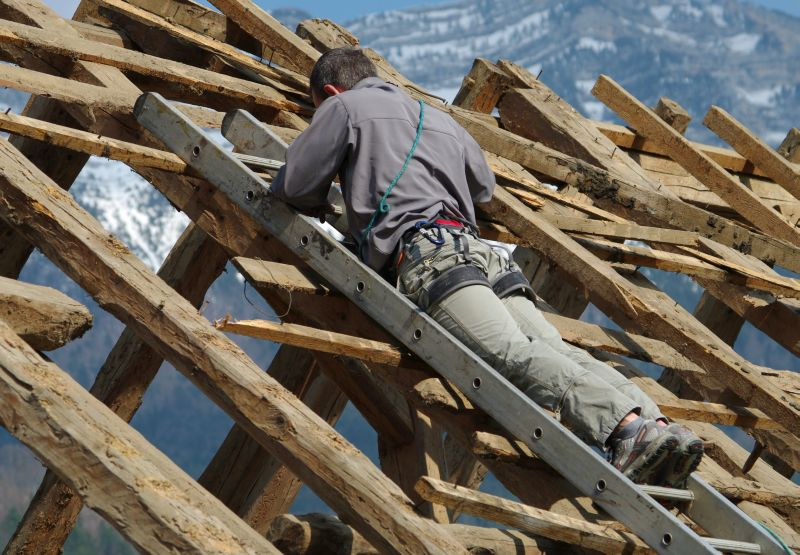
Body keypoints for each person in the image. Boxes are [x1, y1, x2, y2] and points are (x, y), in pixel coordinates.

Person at [271, 47, 703, 487]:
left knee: (508, 357)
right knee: (556, 350)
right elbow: (482, 187)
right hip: (485, 257)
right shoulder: (438, 118)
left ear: (329, 90)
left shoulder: (342, 106)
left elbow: (295, 184)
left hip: (433, 261)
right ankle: (658, 427)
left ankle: (625, 430)